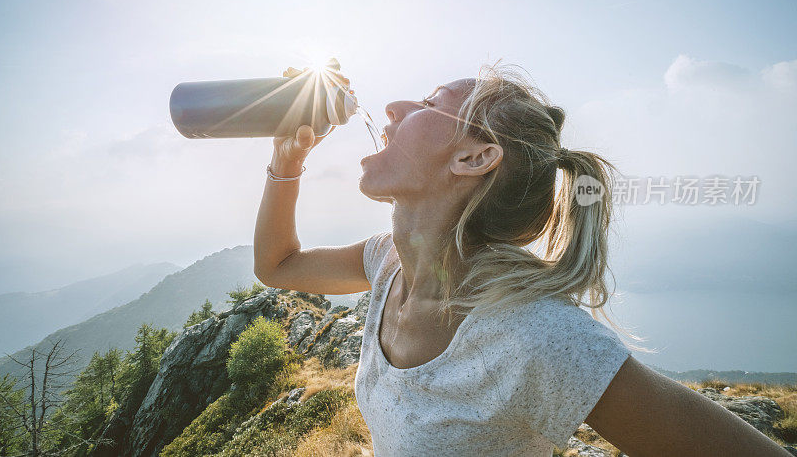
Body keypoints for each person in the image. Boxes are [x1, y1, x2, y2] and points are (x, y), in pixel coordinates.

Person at [253, 64, 789, 456]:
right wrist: (286, 162)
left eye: (428, 104)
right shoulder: (386, 262)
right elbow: (278, 266)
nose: (393, 108)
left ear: (474, 157)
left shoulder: (534, 336)